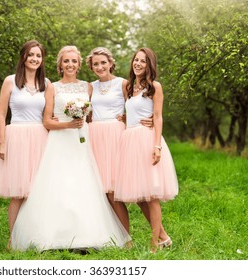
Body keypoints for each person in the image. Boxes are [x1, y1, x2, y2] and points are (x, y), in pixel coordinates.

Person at [11, 46, 131, 251]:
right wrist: (67, 124)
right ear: (60, 65)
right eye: (66, 61)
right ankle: (56, 235)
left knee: (84, 185)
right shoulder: (52, 87)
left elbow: (96, 114)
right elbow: (47, 121)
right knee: (58, 186)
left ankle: (85, 235)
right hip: (59, 142)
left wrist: (123, 117)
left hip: (82, 143)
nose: (70, 65)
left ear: (79, 64)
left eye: (74, 61)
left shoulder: (88, 87)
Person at [115, 47, 178, 253]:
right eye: (136, 60)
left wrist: (157, 145)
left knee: (150, 194)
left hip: (147, 139)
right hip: (130, 140)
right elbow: (131, 111)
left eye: (143, 61)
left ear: (149, 64)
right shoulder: (128, 87)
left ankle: (154, 245)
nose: (138, 64)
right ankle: (164, 236)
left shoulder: (154, 87)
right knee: (139, 196)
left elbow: (158, 116)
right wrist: (124, 119)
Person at [86, 47, 152, 234]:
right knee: (108, 192)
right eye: (96, 64)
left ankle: (160, 234)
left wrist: (153, 118)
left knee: (132, 188)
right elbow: (87, 114)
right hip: (97, 138)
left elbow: (138, 106)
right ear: (91, 67)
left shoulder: (123, 84)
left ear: (111, 64)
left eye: (103, 63)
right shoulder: (91, 87)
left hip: (117, 137)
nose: (100, 67)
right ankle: (125, 237)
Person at [0, 40, 49, 248]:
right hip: (16, 134)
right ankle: (13, 239)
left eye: (38, 56)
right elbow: (1, 113)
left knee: (36, 190)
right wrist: (3, 141)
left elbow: (52, 114)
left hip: (40, 137)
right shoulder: (10, 82)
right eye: (31, 55)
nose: (34, 59)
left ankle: (35, 236)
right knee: (19, 191)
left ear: (42, 60)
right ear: (23, 57)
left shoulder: (47, 84)